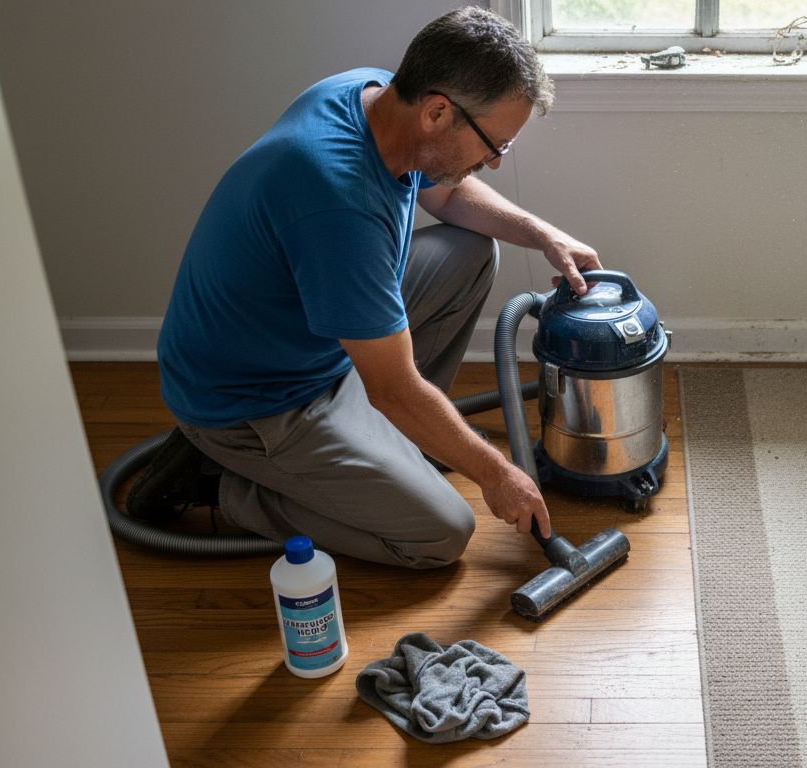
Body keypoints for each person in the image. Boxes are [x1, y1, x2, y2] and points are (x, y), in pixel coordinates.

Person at [128, 7, 602, 569]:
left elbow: (447, 196)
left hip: (314, 334)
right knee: (440, 534)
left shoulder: (373, 96)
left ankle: (404, 445)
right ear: (437, 112)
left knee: (471, 253)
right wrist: (496, 473)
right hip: (259, 402)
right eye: (494, 145)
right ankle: (220, 485)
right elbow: (393, 389)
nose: (494, 164)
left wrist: (543, 236)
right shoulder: (336, 200)